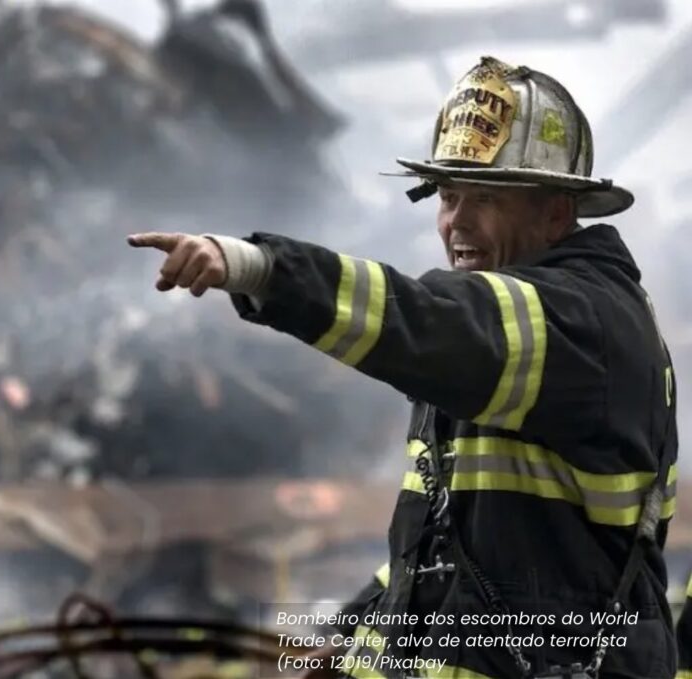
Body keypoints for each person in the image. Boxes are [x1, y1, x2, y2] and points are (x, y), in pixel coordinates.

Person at [129, 56, 677, 678]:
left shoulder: (581, 320)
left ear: (556, 213)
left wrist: (263, 268)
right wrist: (333, 650)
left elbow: (426, 318)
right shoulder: (495, 353)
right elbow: (433, 555)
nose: (457, 222)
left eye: (485, 199)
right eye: (447, 196)